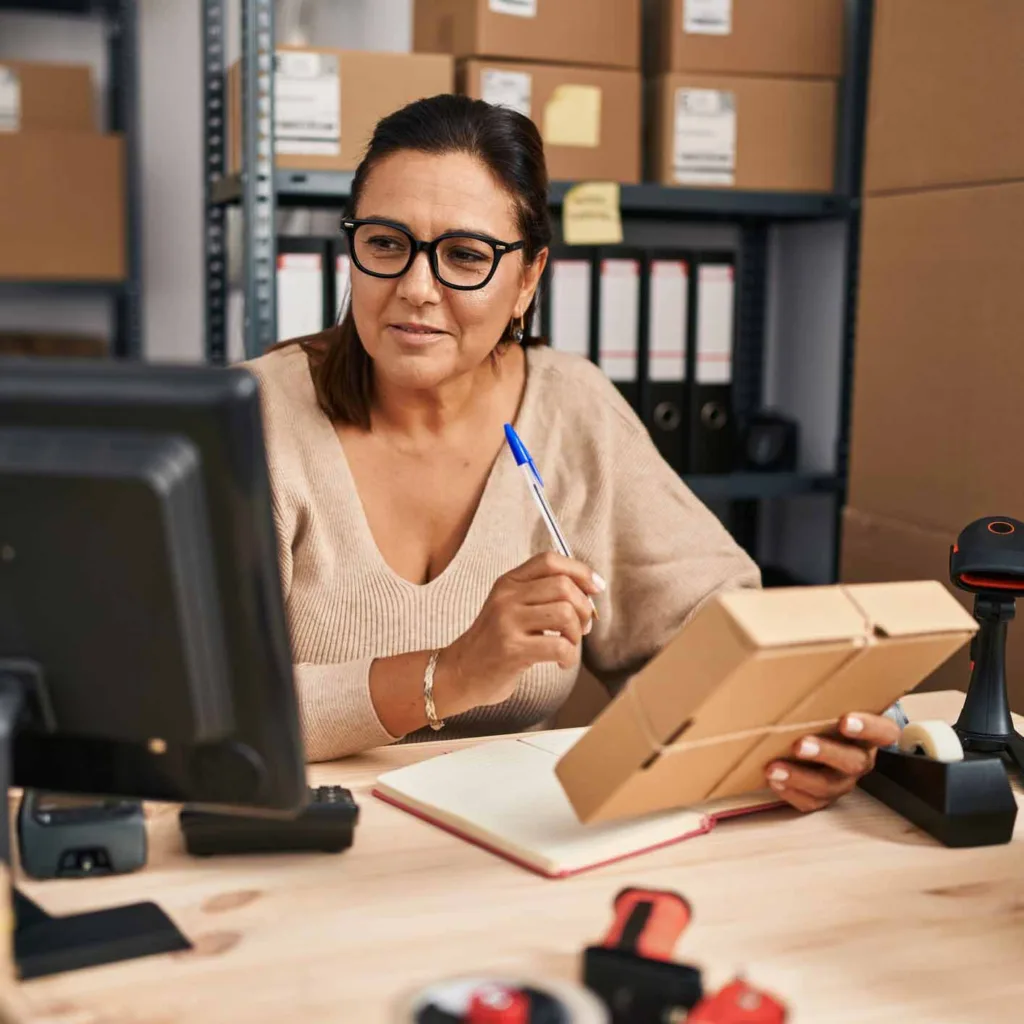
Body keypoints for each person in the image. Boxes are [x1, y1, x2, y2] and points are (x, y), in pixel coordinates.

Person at [247, 94, 899, 812]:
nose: (416, 288)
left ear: (528, 279)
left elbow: (709, 633)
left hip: (510, 844)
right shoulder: (251, 419)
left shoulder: (571, 406)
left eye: (465, 255)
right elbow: (202, 712)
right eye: (385, 243)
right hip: (284, 831)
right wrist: (449, 674)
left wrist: (788, 731)